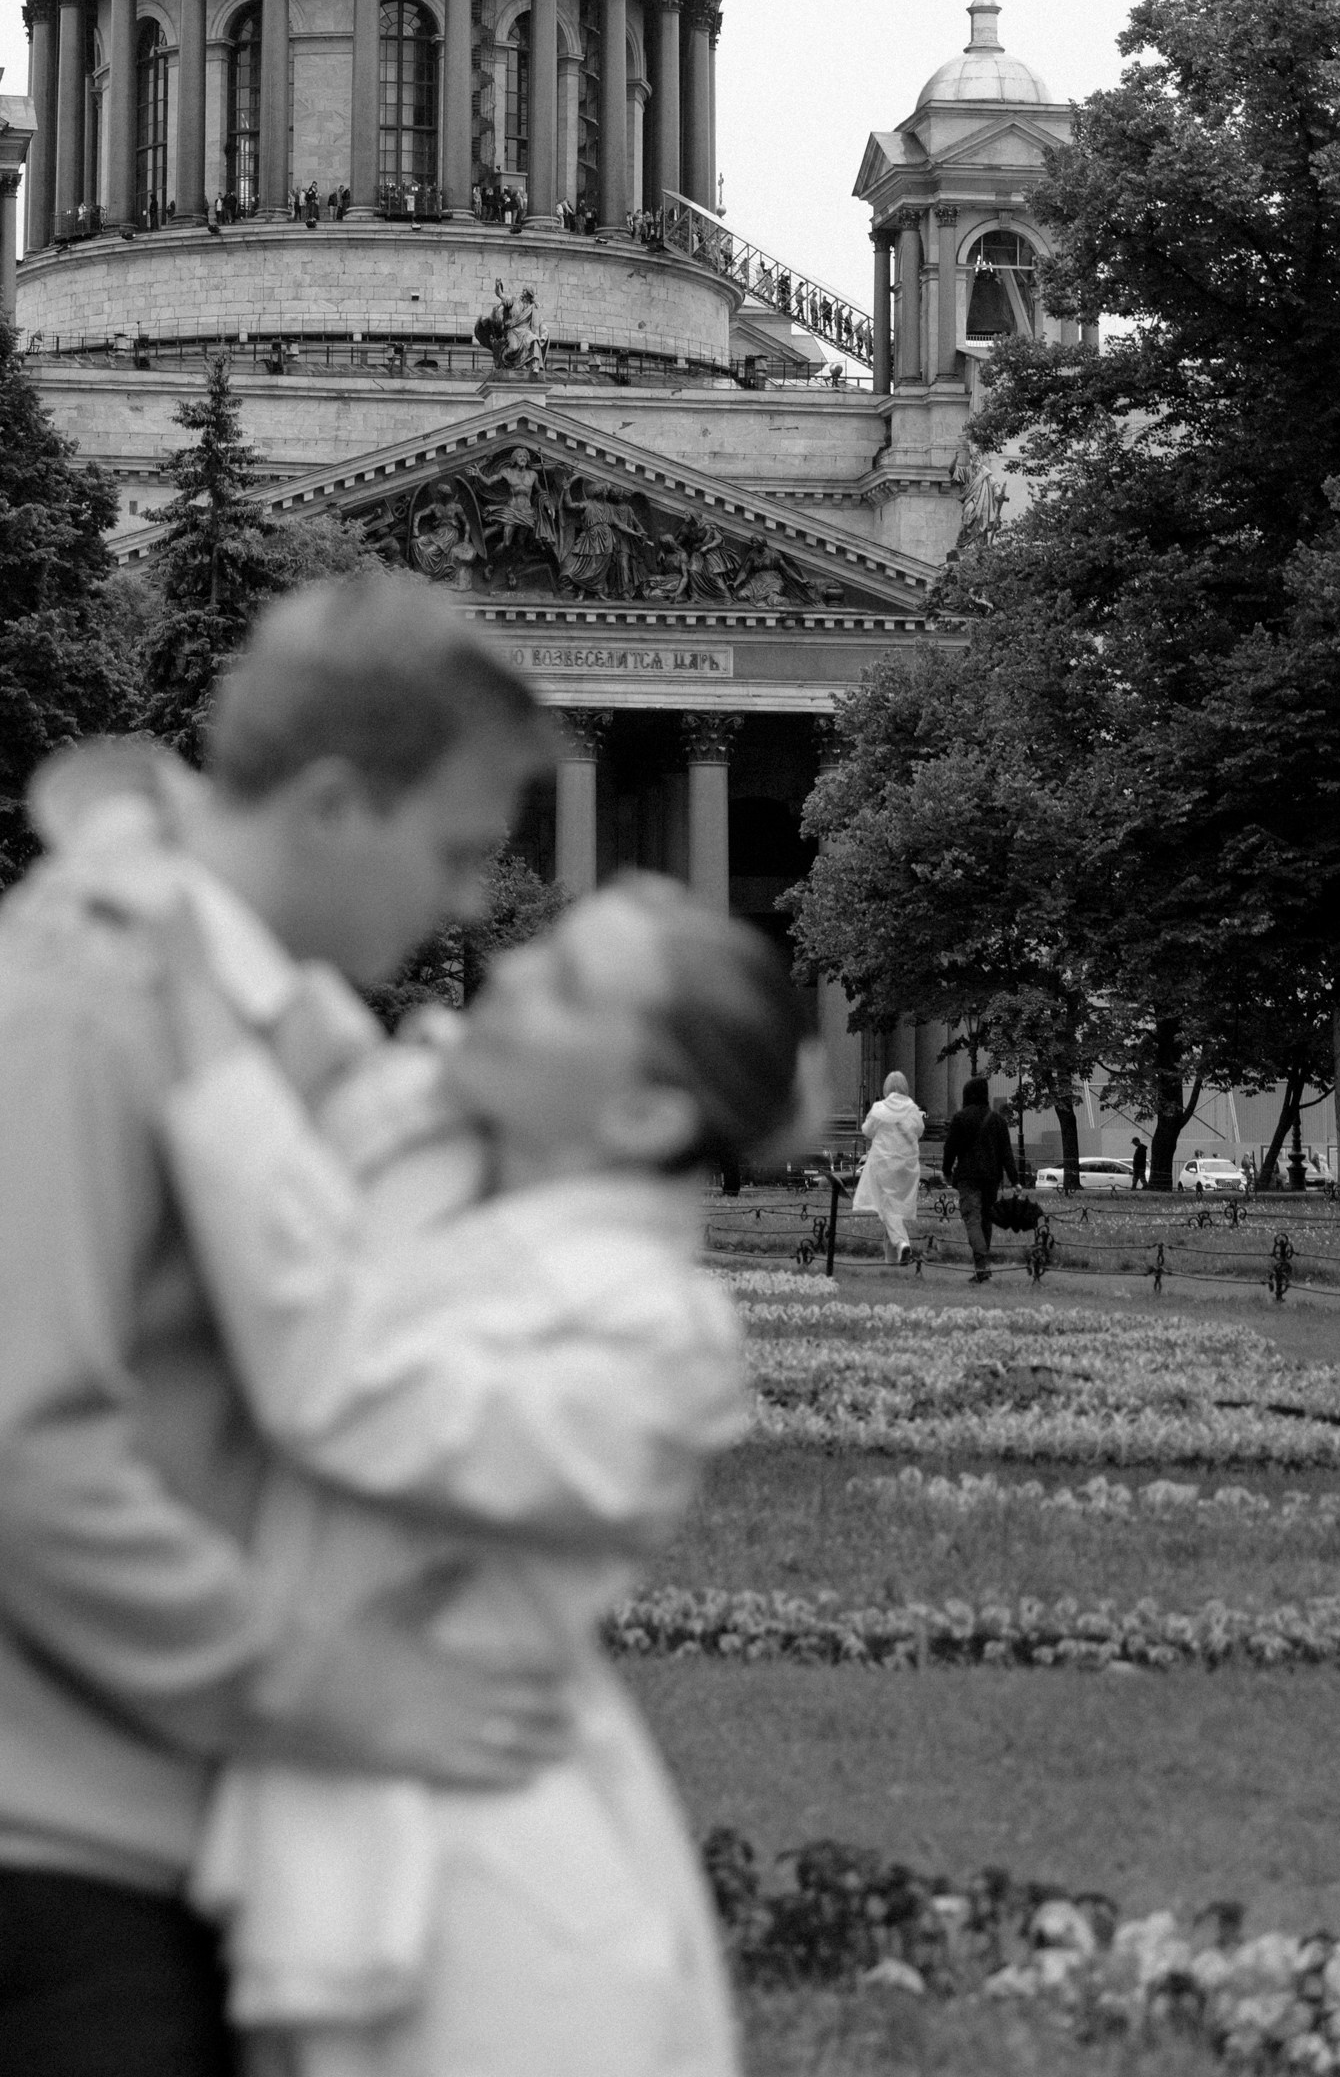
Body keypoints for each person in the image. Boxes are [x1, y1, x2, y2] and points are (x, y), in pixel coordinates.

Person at [0, 576, 574, 2077]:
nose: (467, 904)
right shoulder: (73, 1004)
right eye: (455, 852)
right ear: (332, 803)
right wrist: (322, 1687)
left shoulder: (226, 1000)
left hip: (83, 1840)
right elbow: (9, 1457)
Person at [154, 872, 809, 2077]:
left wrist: (210, 1070)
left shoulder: (657, 1339)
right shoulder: (450, 1184)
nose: (505, 971)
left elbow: (337, 1385)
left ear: (642, 1116)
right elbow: (360, 1087)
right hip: (357, 1834)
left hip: (497, 1906)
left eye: (565, 986)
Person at [941, 1075, 1018, 1284]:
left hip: (968, 1177)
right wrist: (1015, 1180)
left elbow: (950, 1148)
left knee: (972, 1219)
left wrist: (946, 1171)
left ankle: (982, 1263)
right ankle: (982, 1267)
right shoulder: (997, 1120)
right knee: (986, 1220)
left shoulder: (960, 1118)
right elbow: (1006, 1153)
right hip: (991, 1178)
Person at [852, 1070, 924, 1268]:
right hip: (907, 1166)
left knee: (886, 1208)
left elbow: (867, 1130)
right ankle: (892, 1259)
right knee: (894, 1210)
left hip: (883, 1165)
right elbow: (919, 1131)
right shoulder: (913, 1109)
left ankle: (902, 1244)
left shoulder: (879, 1108)